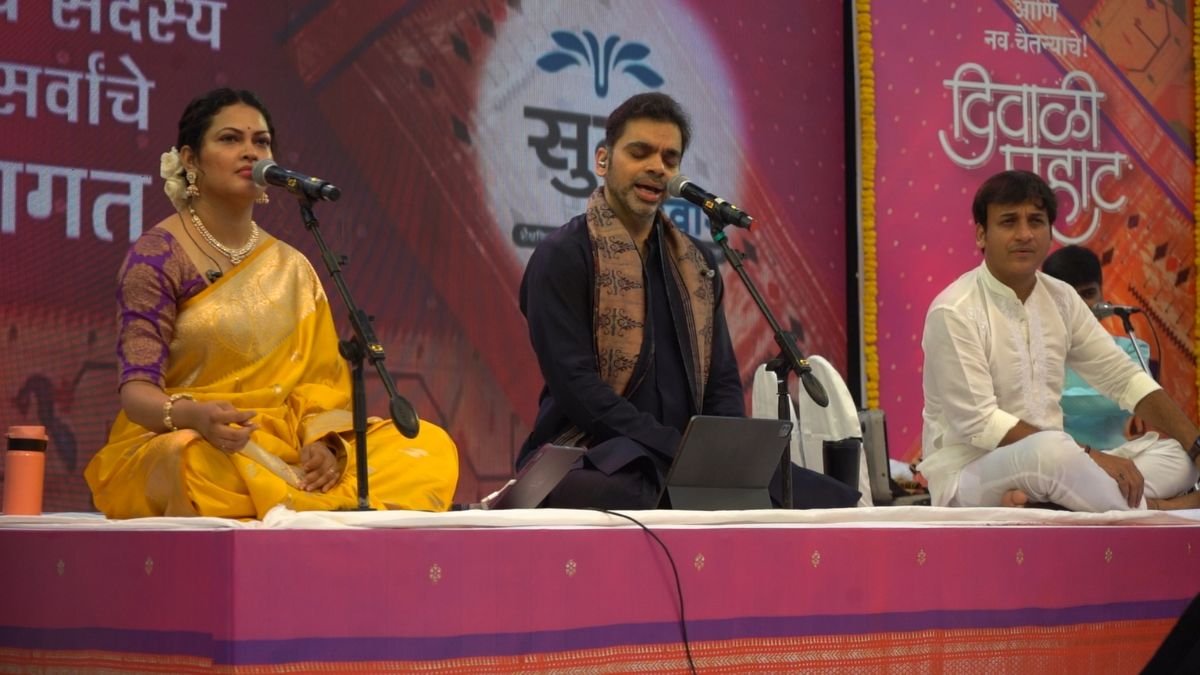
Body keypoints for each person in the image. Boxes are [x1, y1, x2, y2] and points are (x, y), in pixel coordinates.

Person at [85, 88, 458, 518]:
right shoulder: (158, 256)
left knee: (429, 447)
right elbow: (136, 394)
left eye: (260, 142)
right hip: (202, 440)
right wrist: (197, 418)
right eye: (229, 139)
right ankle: (305, 502)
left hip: (286, 444)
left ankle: (300, 494)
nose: (250, 152)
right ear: (190, 160)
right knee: (187, 465)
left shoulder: (292, 266)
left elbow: (317, 386)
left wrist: (325, 444)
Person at [517, 92, 857, 509]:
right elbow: (578, 389)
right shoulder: (564, 256)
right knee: (638, 492)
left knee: (825, 498)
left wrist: (729, 455)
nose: (657, 167)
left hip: (687, 458)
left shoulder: (696, 262)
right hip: (592, 453)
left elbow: (722, 382)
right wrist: (676, 448)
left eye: (670, 158)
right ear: (603, 161)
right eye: (640, 152)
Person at [918, 170, 1199, 511]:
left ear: (1050, 232)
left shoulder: (1061, 298)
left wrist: (1195, 444)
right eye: (1008, 222)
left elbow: (1122, 377)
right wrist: (1090, 457)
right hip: (972, 474)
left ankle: (1062, 504)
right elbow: (981, 424)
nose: (1024, 234)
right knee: (1051, 454)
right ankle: (1160, 510)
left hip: (1064, 466)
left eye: (1035, 221)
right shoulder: (955, 310)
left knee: (1177, 456)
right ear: (981, 234)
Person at [1042, 245, 1152, 450]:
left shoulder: (1133, 348)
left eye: (1088, 294)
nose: (1081, 306)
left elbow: (1137, 397)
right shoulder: (1038, 353)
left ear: (1102, 296)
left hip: (1121, 456)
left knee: (1180, 460)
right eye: (1070, 298)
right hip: (1060, 459)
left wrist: (1049, 398)